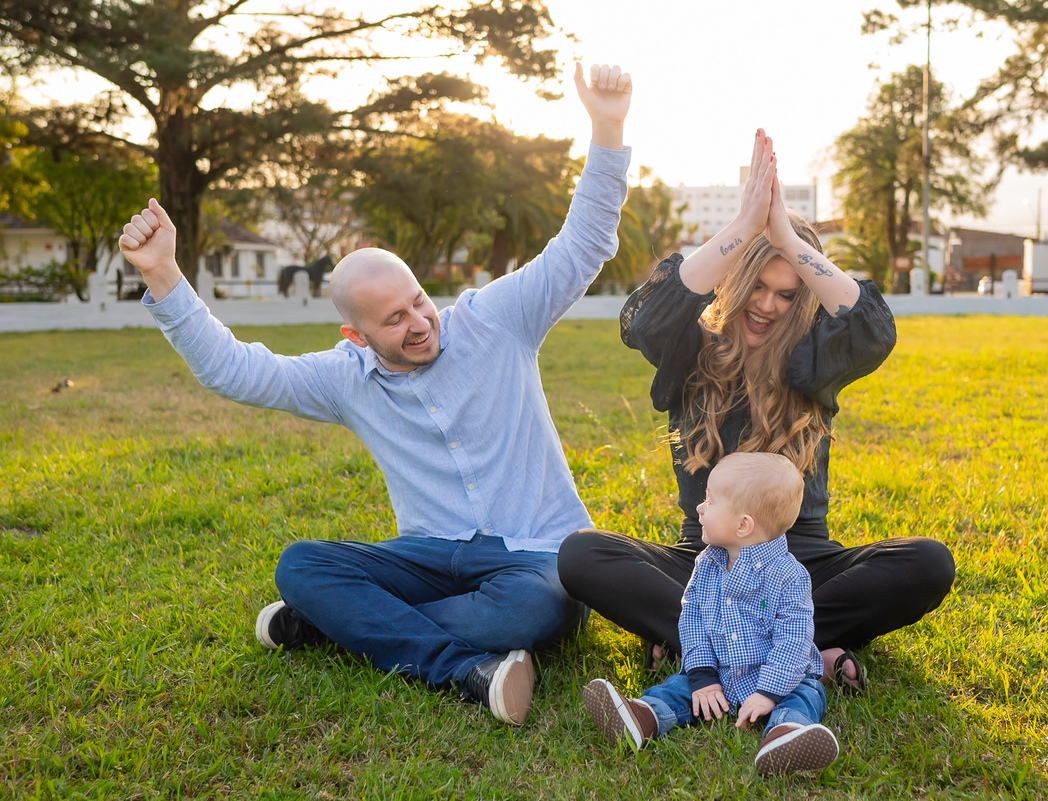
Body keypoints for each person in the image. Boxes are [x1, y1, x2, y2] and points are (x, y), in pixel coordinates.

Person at [117, 63, 634, 727]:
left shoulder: (496, 320)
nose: (419, 323)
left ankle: (340, 629)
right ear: (355, 335)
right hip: (427, 557)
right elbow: (235, 370)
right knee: (301, 566)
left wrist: (608, 125)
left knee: (531, 612)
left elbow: (583, 245)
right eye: (393, 320)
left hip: (532, 557)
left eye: (418, 301)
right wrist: (164, 276)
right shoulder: (343, 377)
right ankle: (466, 670)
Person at [558, 130, 955, 692]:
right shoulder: (688, 348)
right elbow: (644, 318)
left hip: (800, 564)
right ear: (737, 282)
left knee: (928, 564)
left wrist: (787, 237)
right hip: (703, 563)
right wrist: (745, 228)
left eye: (788, 293)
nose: (768, 305)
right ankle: (795, 649)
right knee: (581, 555)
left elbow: (873, 328)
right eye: (758, 286)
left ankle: (701, 642)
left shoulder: (815, 357)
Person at [583, 452, 838, 776]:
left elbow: (794, 641)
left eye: (710, 502)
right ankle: (643, 716)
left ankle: (785, 735)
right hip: (719, 674)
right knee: (679, 688)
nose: (700, 508)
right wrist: (703, 675)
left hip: (781, 679)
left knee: (804, 695)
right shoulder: (707, 564)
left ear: (743, 524)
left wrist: (768, 692)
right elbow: (692, 620)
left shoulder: (789, 577)